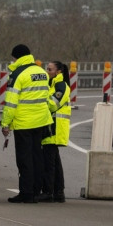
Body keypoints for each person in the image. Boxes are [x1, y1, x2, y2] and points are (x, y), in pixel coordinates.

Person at [0, 43, 53, 203]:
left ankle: (26, 193)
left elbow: (10, 103)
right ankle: (36, 191)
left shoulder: (18, 74)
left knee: (24, 159)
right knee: (37, 157)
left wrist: (5, 123)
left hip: (24, 123)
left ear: (16, 57)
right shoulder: (41, 72)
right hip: (41, 121)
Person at [38, 59, 71, 202]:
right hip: (51, 127)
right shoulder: (52, 84)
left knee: (48, 163)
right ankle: (58, 192)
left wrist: (39, 101)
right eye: (47, 68)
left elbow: (53, 105)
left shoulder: (61, 85)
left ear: (59, 72)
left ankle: (48, 192)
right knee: (55, 162)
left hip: (54, 128)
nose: (47, 71)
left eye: (50, 69)